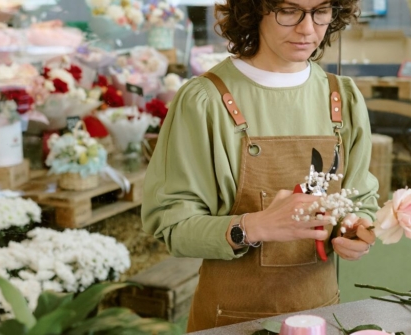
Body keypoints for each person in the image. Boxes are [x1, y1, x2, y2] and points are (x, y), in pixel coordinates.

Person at [141, 0, 379, 331]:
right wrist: (253, 226)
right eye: (288, 10)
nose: (307, 28)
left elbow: (362, 200)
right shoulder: (204, 100)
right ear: (253, 11)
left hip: (321, 313)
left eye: (321, 11)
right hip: (229, 321)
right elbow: (171, 225)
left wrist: (357, 229)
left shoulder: (344, 97)